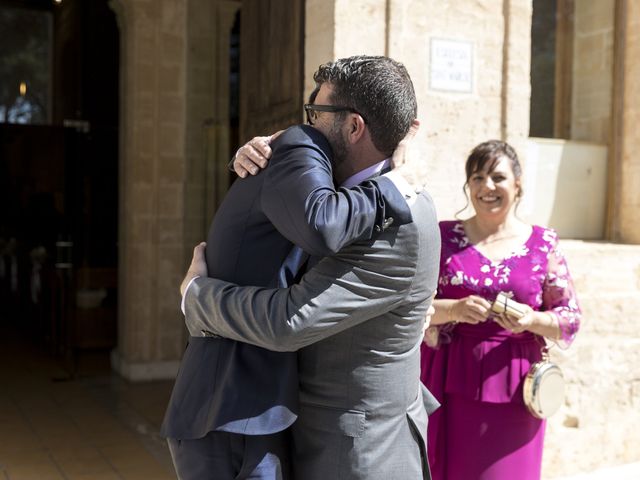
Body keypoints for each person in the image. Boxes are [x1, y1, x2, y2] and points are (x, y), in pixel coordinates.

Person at [162, 55, 433, 480]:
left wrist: (196, 296)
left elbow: (291, 320)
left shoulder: (402, 221)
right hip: (287, 426)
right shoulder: (326, 186)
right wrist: (272, 164)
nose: (304, 126)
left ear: (354, 126)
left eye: (315, 113)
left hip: (359, 450)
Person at [419, 140, 581, 480]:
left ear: (517, 183)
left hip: (517, 390)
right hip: (448, 383)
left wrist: (532, 319)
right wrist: (453, 309)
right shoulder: (443, 238)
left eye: (497, 177)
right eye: (477, 177)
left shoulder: (543, 243)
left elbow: (569, 318)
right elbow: (408, 307)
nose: (487, 186)